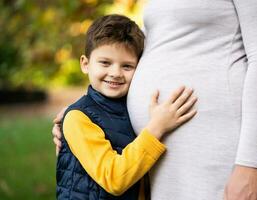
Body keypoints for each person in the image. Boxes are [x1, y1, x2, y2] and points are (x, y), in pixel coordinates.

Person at [54, 0, 257, 199]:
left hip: (223, 152)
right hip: (163, 163)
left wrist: (250, 163)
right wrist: (84, 112)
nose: (115, 71)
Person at [56, 14, 197, 200]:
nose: (115, 73)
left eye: (127, 66)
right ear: (85, 64)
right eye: (105, 63)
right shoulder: (78, 118)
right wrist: (157, 127)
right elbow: (114, 179)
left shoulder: (127, 110)